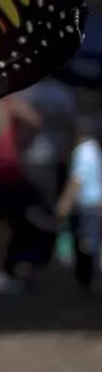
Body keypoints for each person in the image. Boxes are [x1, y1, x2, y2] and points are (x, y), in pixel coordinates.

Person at [59, 115, 102, 290]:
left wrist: (65, 202)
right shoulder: (95, 150)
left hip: (86, 204)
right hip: (95, 202)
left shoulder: (82, 151)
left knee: (85, 244)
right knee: (91, 242)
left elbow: (77, 180)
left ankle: (85, 281)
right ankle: (88, 279)